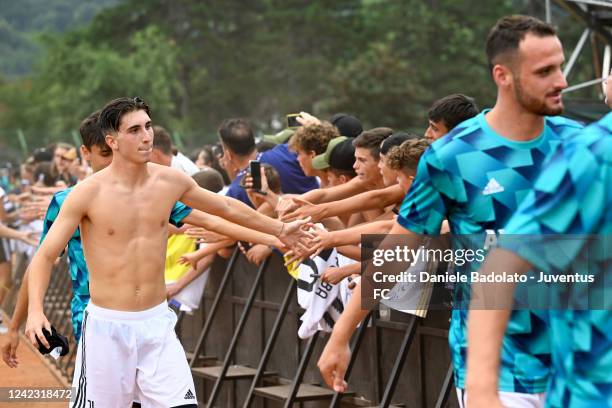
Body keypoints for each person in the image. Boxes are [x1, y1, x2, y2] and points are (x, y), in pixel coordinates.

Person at [317, 15, 582, 408]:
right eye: (544, 71)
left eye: (559, 66)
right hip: (496, 372)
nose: (560, 80)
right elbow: (398, 251)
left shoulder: (583, 145)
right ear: (503, 75)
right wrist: (342, 334)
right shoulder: (451, 156)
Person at [23, 97, 311, 407]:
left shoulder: (170, 182)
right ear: (112, 140)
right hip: (106, 328)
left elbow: (225, 207)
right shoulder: (85, 194)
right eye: (134, 130)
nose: (146, 136)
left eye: (147, 126)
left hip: (157, 323)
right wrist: (35, 311)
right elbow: (45, 256)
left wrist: (279, 230)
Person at [466, 72, 612, 408]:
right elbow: (499, 265)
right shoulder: (593, 151)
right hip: (581, 385)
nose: (561, 81)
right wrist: (482, 389)